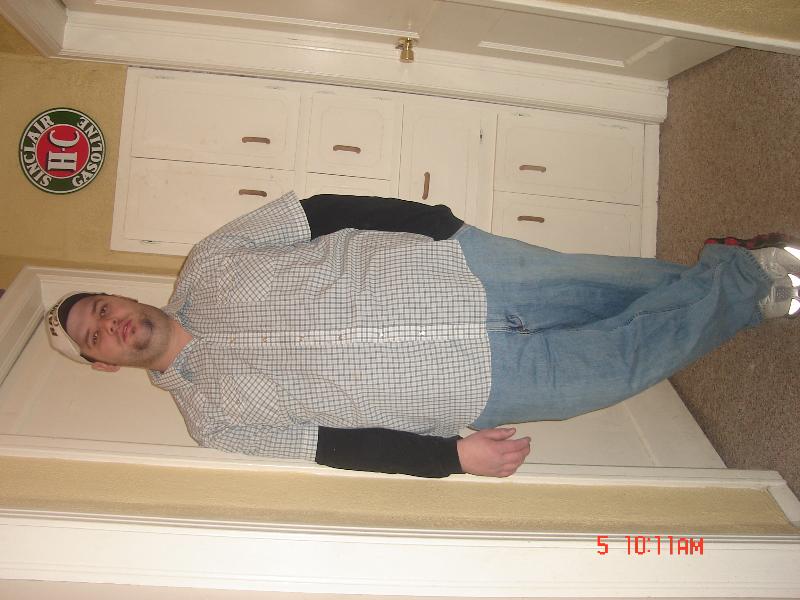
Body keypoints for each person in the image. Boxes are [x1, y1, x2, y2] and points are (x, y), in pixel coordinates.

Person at [46, 192, 800, 478]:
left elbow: (322, 212)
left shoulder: (210, 259)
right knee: (623, 366)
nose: (111, 323)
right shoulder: (211, 421)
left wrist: (442, 226)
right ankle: (739, 272)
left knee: (621, 286)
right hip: (472, 388)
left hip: (465, 273)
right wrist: (452, 458)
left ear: (119, 295)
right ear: (103, 362)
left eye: (102, 307)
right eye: (95, 336)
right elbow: (337, 447)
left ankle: (745, 281)